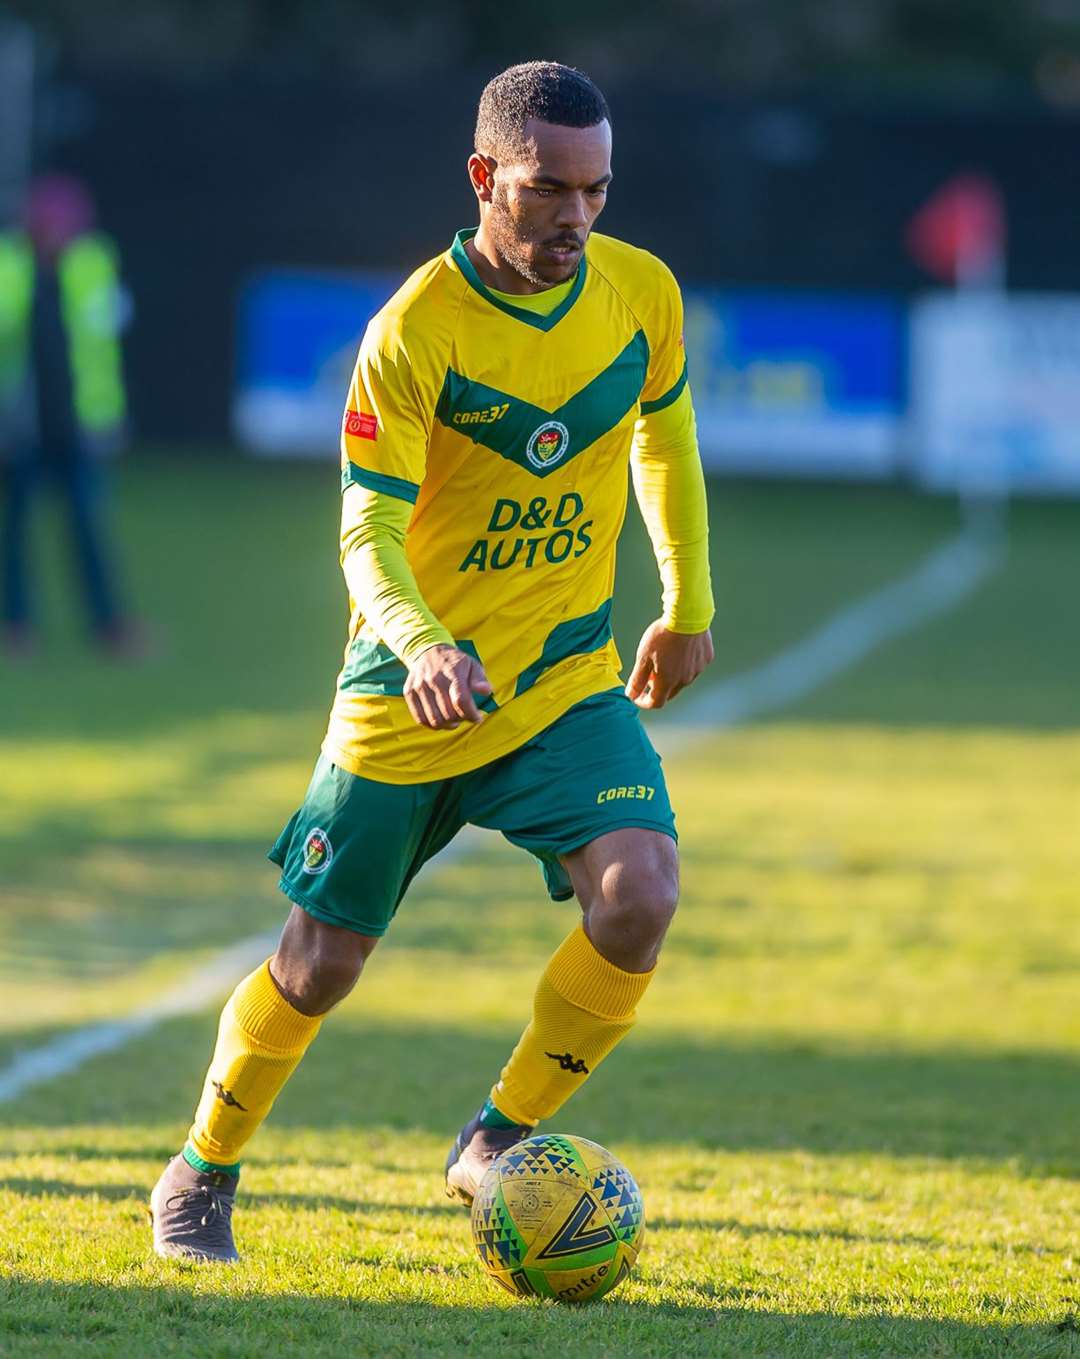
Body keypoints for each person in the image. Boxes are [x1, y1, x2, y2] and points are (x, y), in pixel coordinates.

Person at [150, 61, 715, 1264]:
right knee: (320, 963)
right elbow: (364, 531)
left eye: (597, 192)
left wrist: (686, 598)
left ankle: (496, 1138)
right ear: (483, 179)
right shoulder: (414, 331)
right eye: (548, 190)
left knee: (642, 895)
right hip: (409, 697)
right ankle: (201, 1171)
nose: (576, 217)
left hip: (562, 677)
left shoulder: (639, 293)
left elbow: (663, 431)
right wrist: (421, 645)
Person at [0, 174, 136, 656]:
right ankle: (16, 627)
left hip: (78, 426)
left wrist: (108, 417)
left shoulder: (93, 263)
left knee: (88, 530)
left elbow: (102, 350)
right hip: (21, 427)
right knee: (15, 534)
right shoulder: (10, 263)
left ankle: (110, 627)